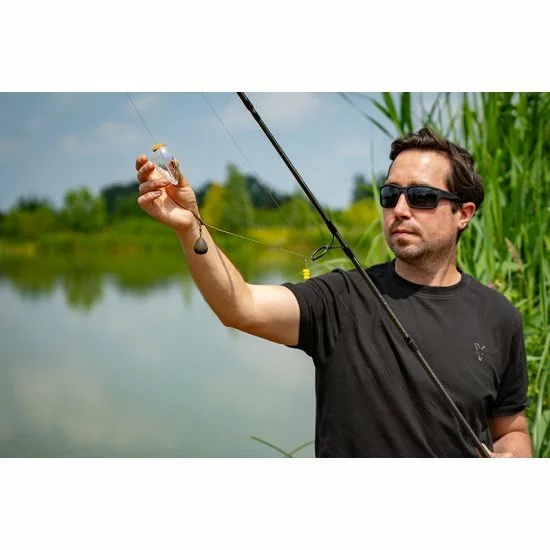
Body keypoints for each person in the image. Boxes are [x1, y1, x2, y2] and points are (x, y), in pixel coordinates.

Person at [135, 127, 532, 458]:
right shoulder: (341, 298)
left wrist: (513, 459)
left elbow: (511, 429)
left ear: (463, 214)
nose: (400, 209)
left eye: (422, 197)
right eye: (390, 195)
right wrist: (191, 227)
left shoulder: (499, 317)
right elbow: (240, 306)